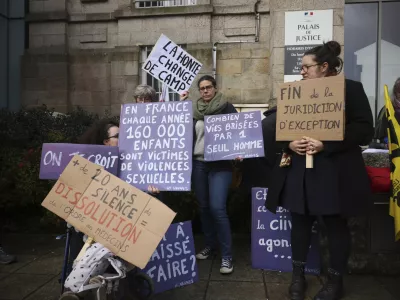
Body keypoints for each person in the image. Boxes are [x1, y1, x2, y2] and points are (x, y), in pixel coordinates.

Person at [265, 41, 374, 300]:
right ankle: (297, 277)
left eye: (306, 67)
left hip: (335, 172)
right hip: (301, 171)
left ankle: (335, 282)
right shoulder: (296, 92)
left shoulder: (352, 89)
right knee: (300, 223)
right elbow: (277, 127)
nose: (301, 71)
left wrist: (327, 143)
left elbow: (364, 129)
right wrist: (289, 143)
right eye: (301, 67)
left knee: (336, 225)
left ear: (324, 67)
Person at [180, 75, 240, 275]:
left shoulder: (227, 108)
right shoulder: (194, 111)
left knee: (217, 208)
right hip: (199, 165)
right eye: (202, 88)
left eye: (208, 87)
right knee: (204, 208)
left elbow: (238, 133)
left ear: (215, 88)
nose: (205, 91)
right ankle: (210, 245)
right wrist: (180, 106)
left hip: (220, 165)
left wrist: (240, 151)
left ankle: (227, 255)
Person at [68, 119, 120, 268]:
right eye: (118, 136)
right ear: (106, 142)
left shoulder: (129, 162)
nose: (123, 139)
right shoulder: (90, 164)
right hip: (92, 222)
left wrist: (151, 190)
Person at [374, 77, 400, 143]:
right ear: (395, 92)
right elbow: (381, 133)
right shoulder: (387, 109)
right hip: (393, 149)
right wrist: (387, 141)